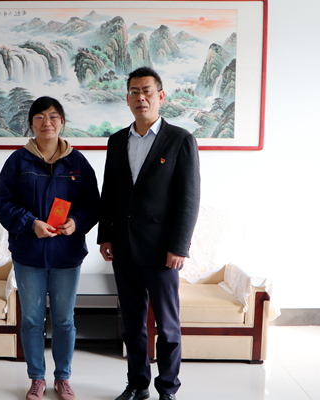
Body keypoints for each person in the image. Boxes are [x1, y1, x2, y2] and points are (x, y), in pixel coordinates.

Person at [98, 67, 201, 400]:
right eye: (134, 92)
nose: (140, 98)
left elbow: (189, 198)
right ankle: (137, 384)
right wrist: (105, 236)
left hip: (162, 251)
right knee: (132, 325)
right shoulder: (117, 141)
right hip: (124, 247)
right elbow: (110, 192)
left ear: (160, 96)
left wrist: (179, 246)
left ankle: (168, 388)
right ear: (127, 98)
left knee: (168, 327)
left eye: (147, 91)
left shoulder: (180, 139)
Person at [0, 96, 100, 400]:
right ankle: (36, 378)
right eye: (39, 117)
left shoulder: (77, 162)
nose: (47, 122)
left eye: (53, 116)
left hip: (67, 253)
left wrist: (76, 222)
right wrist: (32, 224)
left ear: (62, 122)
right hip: (28, 253)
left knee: (64, 320)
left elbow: (93, 204)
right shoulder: (18, 161)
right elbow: (3, 203)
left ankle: (63, 378)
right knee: (31, 319)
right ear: (31, 124)